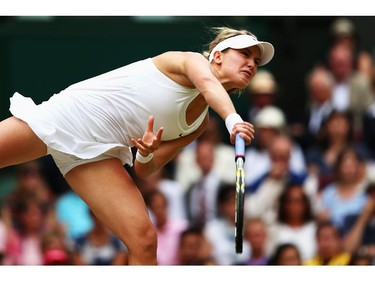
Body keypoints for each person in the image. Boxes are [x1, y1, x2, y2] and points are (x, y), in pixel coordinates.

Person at [0, 26, 272, 265]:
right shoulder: (189, 62)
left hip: (99, 155)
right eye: (244, 54)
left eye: (256, 61)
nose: (251, 64)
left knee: (143, 241)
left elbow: (145, 170)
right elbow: (207, 84)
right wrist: (233, 120)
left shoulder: (199, 124)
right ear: (218, 55)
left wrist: (145, 153)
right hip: (69, 117)